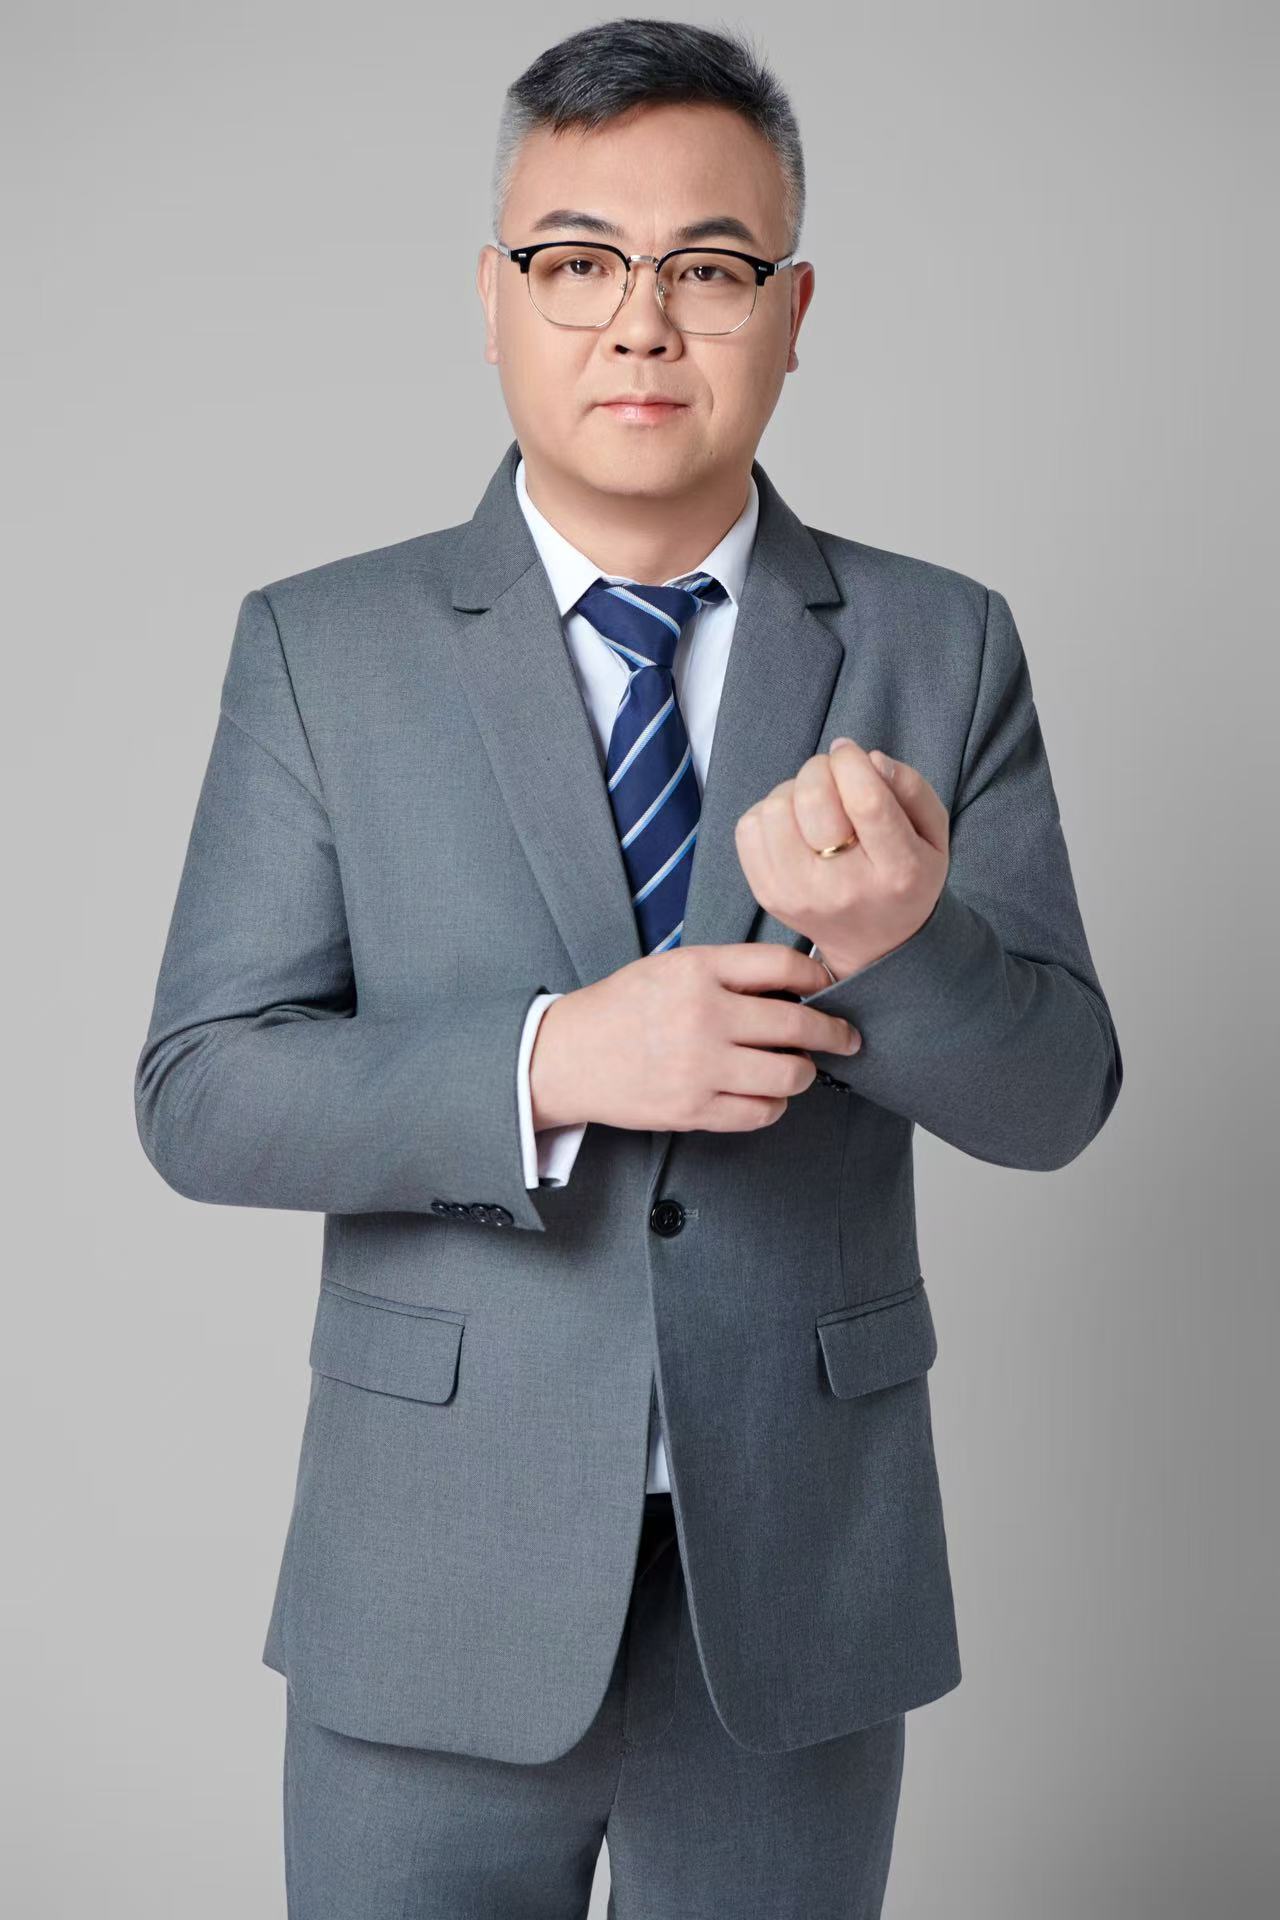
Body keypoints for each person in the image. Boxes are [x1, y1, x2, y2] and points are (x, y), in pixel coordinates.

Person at [134, 17, 1123, 1916]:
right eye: (579, 263)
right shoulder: (323, 650)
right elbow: (202, 1091)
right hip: (430, 1579)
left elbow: (1057, 1097)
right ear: (494, 301)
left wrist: (897, 942)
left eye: (711, 269)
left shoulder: (940, 643)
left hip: (797, 1592)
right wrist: (550, 1061)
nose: (643, 326)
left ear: (793, 310)